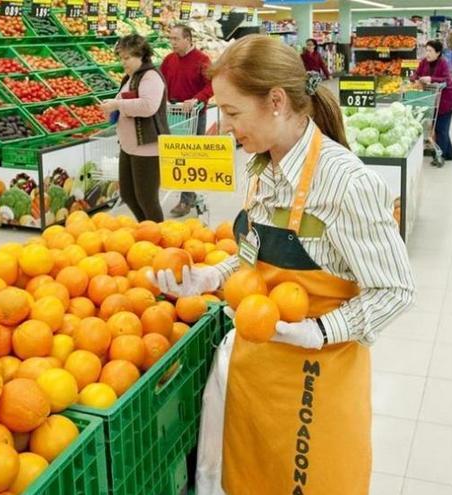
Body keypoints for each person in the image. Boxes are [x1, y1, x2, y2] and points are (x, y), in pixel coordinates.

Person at [148, 35, 415, 494]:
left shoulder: (346, 183)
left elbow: (397, 290)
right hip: (257, 369)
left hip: (319, 378)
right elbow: (255, 255)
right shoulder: (262, 167)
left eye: (232, 112)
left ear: (276, 101)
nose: (225, 126)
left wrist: (321, 330)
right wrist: (212, 276)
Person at [100, 35, 169, 222]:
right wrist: (113, 107)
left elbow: (148, 106)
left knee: (147, 198)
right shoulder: (131, 77)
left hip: (147, 147)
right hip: (129, 146)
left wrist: (117, 105)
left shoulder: (151, 77)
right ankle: (145, 228)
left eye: (127, 58)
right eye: (121, 58)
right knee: (128, 195)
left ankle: (157, 233)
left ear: (141, 55)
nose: (123, 62)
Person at [160, 24, 214, 218]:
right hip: (173, 113)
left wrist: (196, 99)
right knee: (176, 155)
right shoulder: (168, 60)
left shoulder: (202, 60)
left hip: (194, 116)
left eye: (176, 39)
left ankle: (186, 200)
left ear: (188, 39)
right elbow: (160, 82)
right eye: (170, 38)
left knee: (189, 156)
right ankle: (187, 195)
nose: (172, 42)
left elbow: (212, 85)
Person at [412, 39, 452, 162]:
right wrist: (414, 79)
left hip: (446, 100)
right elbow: (416, 74)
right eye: (426, 50)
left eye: (430, 51)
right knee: (440, 128)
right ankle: (449, 154)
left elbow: (446, 79)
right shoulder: (424, 62)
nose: (427, 53)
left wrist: (431, 79)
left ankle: (440, 156)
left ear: (438, 53)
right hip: (432, 100)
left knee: (441, 128)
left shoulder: (443, 63)